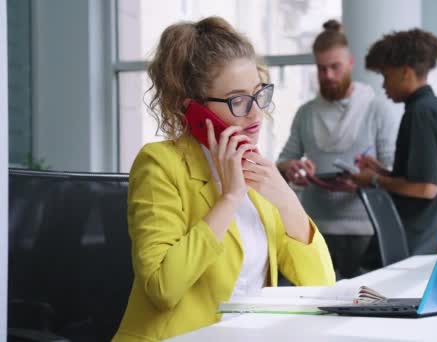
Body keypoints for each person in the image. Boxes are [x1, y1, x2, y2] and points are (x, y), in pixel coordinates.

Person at [113, 17, 335, 341]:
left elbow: (322, 285)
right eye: (238, 100)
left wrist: (286, 200)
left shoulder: (259, 172)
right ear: (195, 110)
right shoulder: (159, 165)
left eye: (259, 95)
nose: (256, 113)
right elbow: (163, 288)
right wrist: (229, 198)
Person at [276, 20, 398, 278]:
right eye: (321, 69)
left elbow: (393, 171)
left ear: (350, 63)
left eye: (335, 67)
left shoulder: (376, 109)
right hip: (314, 227)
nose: (328, 75)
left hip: (366, 228)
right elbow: (283, 161)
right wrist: (293, 168)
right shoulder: (306, 113)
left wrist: (370, 177)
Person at [351, 28, 437, 256]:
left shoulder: (419, 113)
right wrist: (383, 171)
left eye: (386, 75)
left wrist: (374, 179)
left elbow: (426, 188)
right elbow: (428, 178)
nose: (384, 85)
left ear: (405, 72)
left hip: (414, 245)